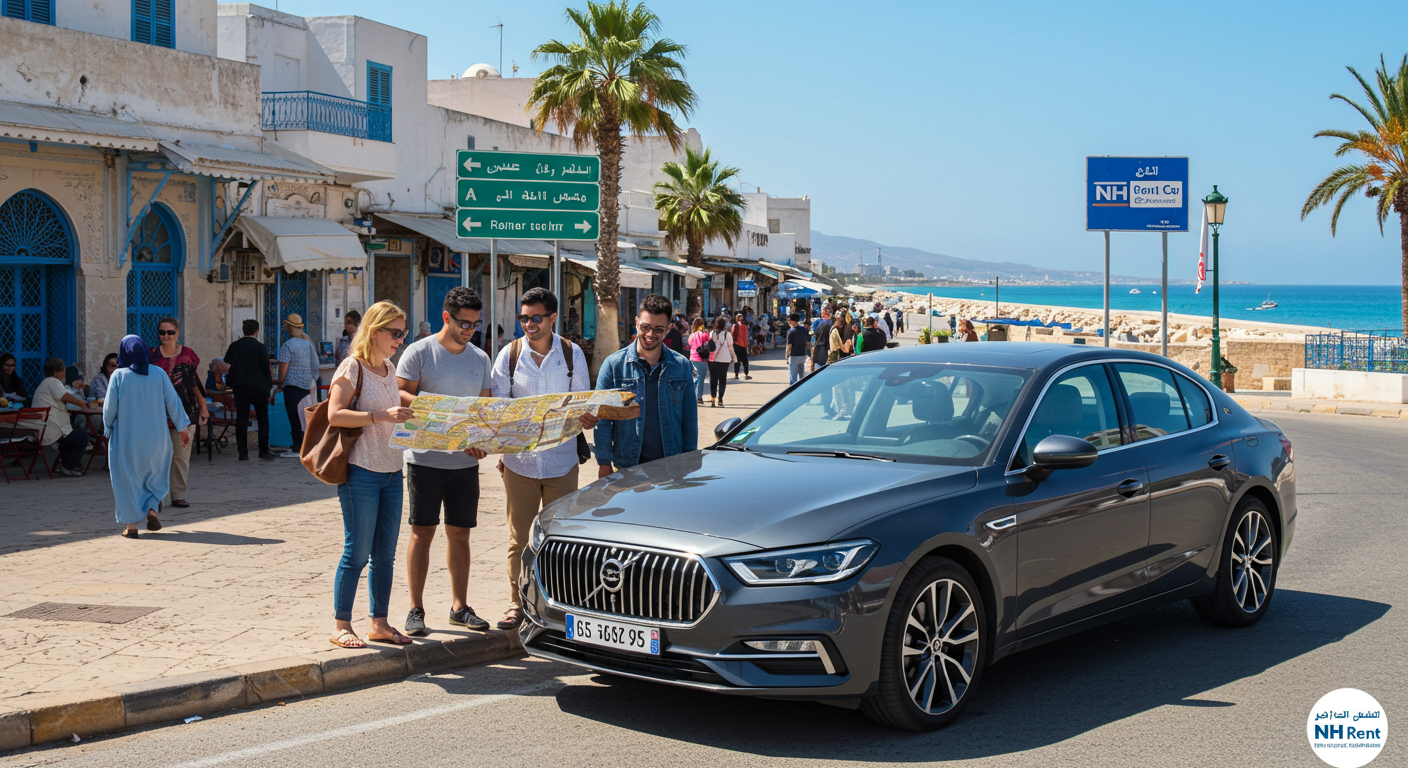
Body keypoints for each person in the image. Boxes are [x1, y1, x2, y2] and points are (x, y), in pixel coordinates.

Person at [490, 287, 594, 631]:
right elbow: (498, 405)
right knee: (519, 538)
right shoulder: (508, 354)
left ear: (552, 318)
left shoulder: (571, 353)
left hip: (561, 461)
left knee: (560, 539)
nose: (529, 324)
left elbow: (581, 400)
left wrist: (587, 416)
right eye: (523, 318)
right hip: (519, 463)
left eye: (536, 318)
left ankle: (558, 605)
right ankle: (516, 604)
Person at [396, 287, 494, 637]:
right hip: (424, 460)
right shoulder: (418, 352)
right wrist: (438, 410)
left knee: (460, 535)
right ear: (446, 317)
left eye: (475, 324)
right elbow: (401, 392)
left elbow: (483, 410)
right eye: (464, 323)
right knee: (422, 533)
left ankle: (459, 607)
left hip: (464, 464)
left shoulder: (481, 359)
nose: (469, 330)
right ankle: (415, 609)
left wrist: (479, 440)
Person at [325, 301, 416, 649]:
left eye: (402, 333)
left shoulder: (389, 369)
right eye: (394, 333)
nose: (399, 339)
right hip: (362, 471)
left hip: (393, 471)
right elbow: (335, 415)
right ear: (374, 331)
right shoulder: (352, 368)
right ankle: (341, 625)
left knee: (385, 555)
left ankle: (379, 623)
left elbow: (393, 412)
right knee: (357, 553)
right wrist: (380, 416)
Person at [595, 293, 698, 475]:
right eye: (645, 327)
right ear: (636, 322)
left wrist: (688, 463)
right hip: (627, 467)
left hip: (671, 467)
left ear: (668, 329)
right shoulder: (613, 366)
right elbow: (602, 420)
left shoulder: (681, 366)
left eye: (658, 329)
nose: (650, 334)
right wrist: (604, 462)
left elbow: (689, 420)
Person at [105, 336, 190, 537]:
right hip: (158, 440)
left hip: (128, 440)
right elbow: (173, 402)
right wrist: (182, 428)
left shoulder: (119, 376)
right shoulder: (159, 373)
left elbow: (110, 409)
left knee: (128, 479)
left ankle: (132, 526)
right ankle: (152, 509)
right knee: (154, 476)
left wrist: (108, 429)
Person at [149, 317, 208, 509]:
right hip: (157, 412)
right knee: (156, 455)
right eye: (162, 332)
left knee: (181, 455)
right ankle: (156, 496)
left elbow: (193, 384)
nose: (166, 336)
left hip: (185, 411)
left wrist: (203, 407)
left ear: (178, 333)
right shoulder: (151, 356)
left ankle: (177, 494)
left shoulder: (188, 355)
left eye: (170, 332)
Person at [224, 319, 274, 461]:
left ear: (243, 330)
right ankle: (263, 451)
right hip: (259, 387)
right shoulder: (260, 347)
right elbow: (265, 368)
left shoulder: (235, 346)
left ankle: (243, 452)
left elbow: (227, 362)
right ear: (256, 332)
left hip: (240, 387)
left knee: (242, 418)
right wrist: (269, 385)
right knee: (263, 418)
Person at [32, 357, 90, 476]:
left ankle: (65, 464)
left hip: (49, 427)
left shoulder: (47, 383)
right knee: (82, 437)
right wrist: (81, 403)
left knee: (72, 432)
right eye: (62, 371)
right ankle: (70, 466)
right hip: (50, 428)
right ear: (55, 372)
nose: (64, 373)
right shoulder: (52, 382)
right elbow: (64, 396)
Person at [275, 313, 318, 456]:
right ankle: (307, 446)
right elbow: (314, 365)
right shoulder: (308, 344)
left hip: (292, 387)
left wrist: (279, 383)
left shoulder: (287, 345)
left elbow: (283, 368)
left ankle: (296, 447)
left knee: (294, 418)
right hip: (306, 387)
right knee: (305, 419)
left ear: (288, 327)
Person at [706, 315, 734, 407]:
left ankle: (713, 398)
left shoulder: (712, 333)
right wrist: (734, 357)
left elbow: (710, 344)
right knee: (722, 379)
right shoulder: (727, 334)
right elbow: (730, 347)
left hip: (713, 358)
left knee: (713, 378)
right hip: (724, 359)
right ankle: (720, 399)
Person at [686, 317, 709, 405]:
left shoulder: (691, 336)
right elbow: (709, 342)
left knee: (693, 379)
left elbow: (690, 344)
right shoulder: (704, 334)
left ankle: (691, 396)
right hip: (701, 359)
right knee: (701, 380)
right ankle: (699, 397)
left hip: (692, 358)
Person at [785, 313, 810, 386]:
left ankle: (793, 392)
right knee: (801, 376)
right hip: (802, 355)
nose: (789, 322)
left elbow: (789, 345)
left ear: (793, 321)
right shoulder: (804, 330)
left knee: (793, 378)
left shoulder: (791, 332)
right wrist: (811, 352)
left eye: (789, 321)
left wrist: (787, 356)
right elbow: (808, 342)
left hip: (794, 356)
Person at [730, 312, 751, 379]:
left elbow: (732, 336)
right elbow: (745, 337)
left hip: (735, 345)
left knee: (737, 361)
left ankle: (736, 375)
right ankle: (746, 374)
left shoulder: (734, 326)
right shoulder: (744, 327)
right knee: (745, 361)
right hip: (742, 345)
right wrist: (747, 347)